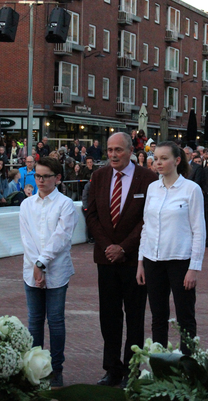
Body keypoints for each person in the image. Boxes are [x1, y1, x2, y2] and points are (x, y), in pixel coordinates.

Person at [86, 132, 157, 388]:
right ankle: (112, 369)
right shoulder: (99, 176)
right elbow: (91, 214)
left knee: (135, 317)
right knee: (109, 316)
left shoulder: (148, 178)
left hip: (134, 261)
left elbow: (147, 219)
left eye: (118, 150)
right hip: (106, 260)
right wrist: (108, 247)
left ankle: (132, 370)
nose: (113, 155)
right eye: (109, 150)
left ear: (130, 151)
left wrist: (124, 248)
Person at [136, 141, 205, 353]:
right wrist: (141, 262)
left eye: (164, 158)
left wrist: (194, 267)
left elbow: (199, 230)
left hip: (180, 261)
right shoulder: (152, 188)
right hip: (153, 261)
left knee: (185, 317)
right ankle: (160, 365)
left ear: (176, 161)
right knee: (158, 317)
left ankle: (188, 367)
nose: (158, 162)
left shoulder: (191, 189)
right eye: (155, 158)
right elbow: (146, 226)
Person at [20, 156, 77, 388]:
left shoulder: (65, 204)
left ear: (58, 178)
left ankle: (56, 368)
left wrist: (42, 263)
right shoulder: (26, 204)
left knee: (55, 320)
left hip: (56, 269)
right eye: (37, 176)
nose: (40, 180)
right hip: (31, 269)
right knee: (34, 321)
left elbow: (61, 237)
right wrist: (36, 265)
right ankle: (35, 367)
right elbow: (26, 238)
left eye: (45, 176)